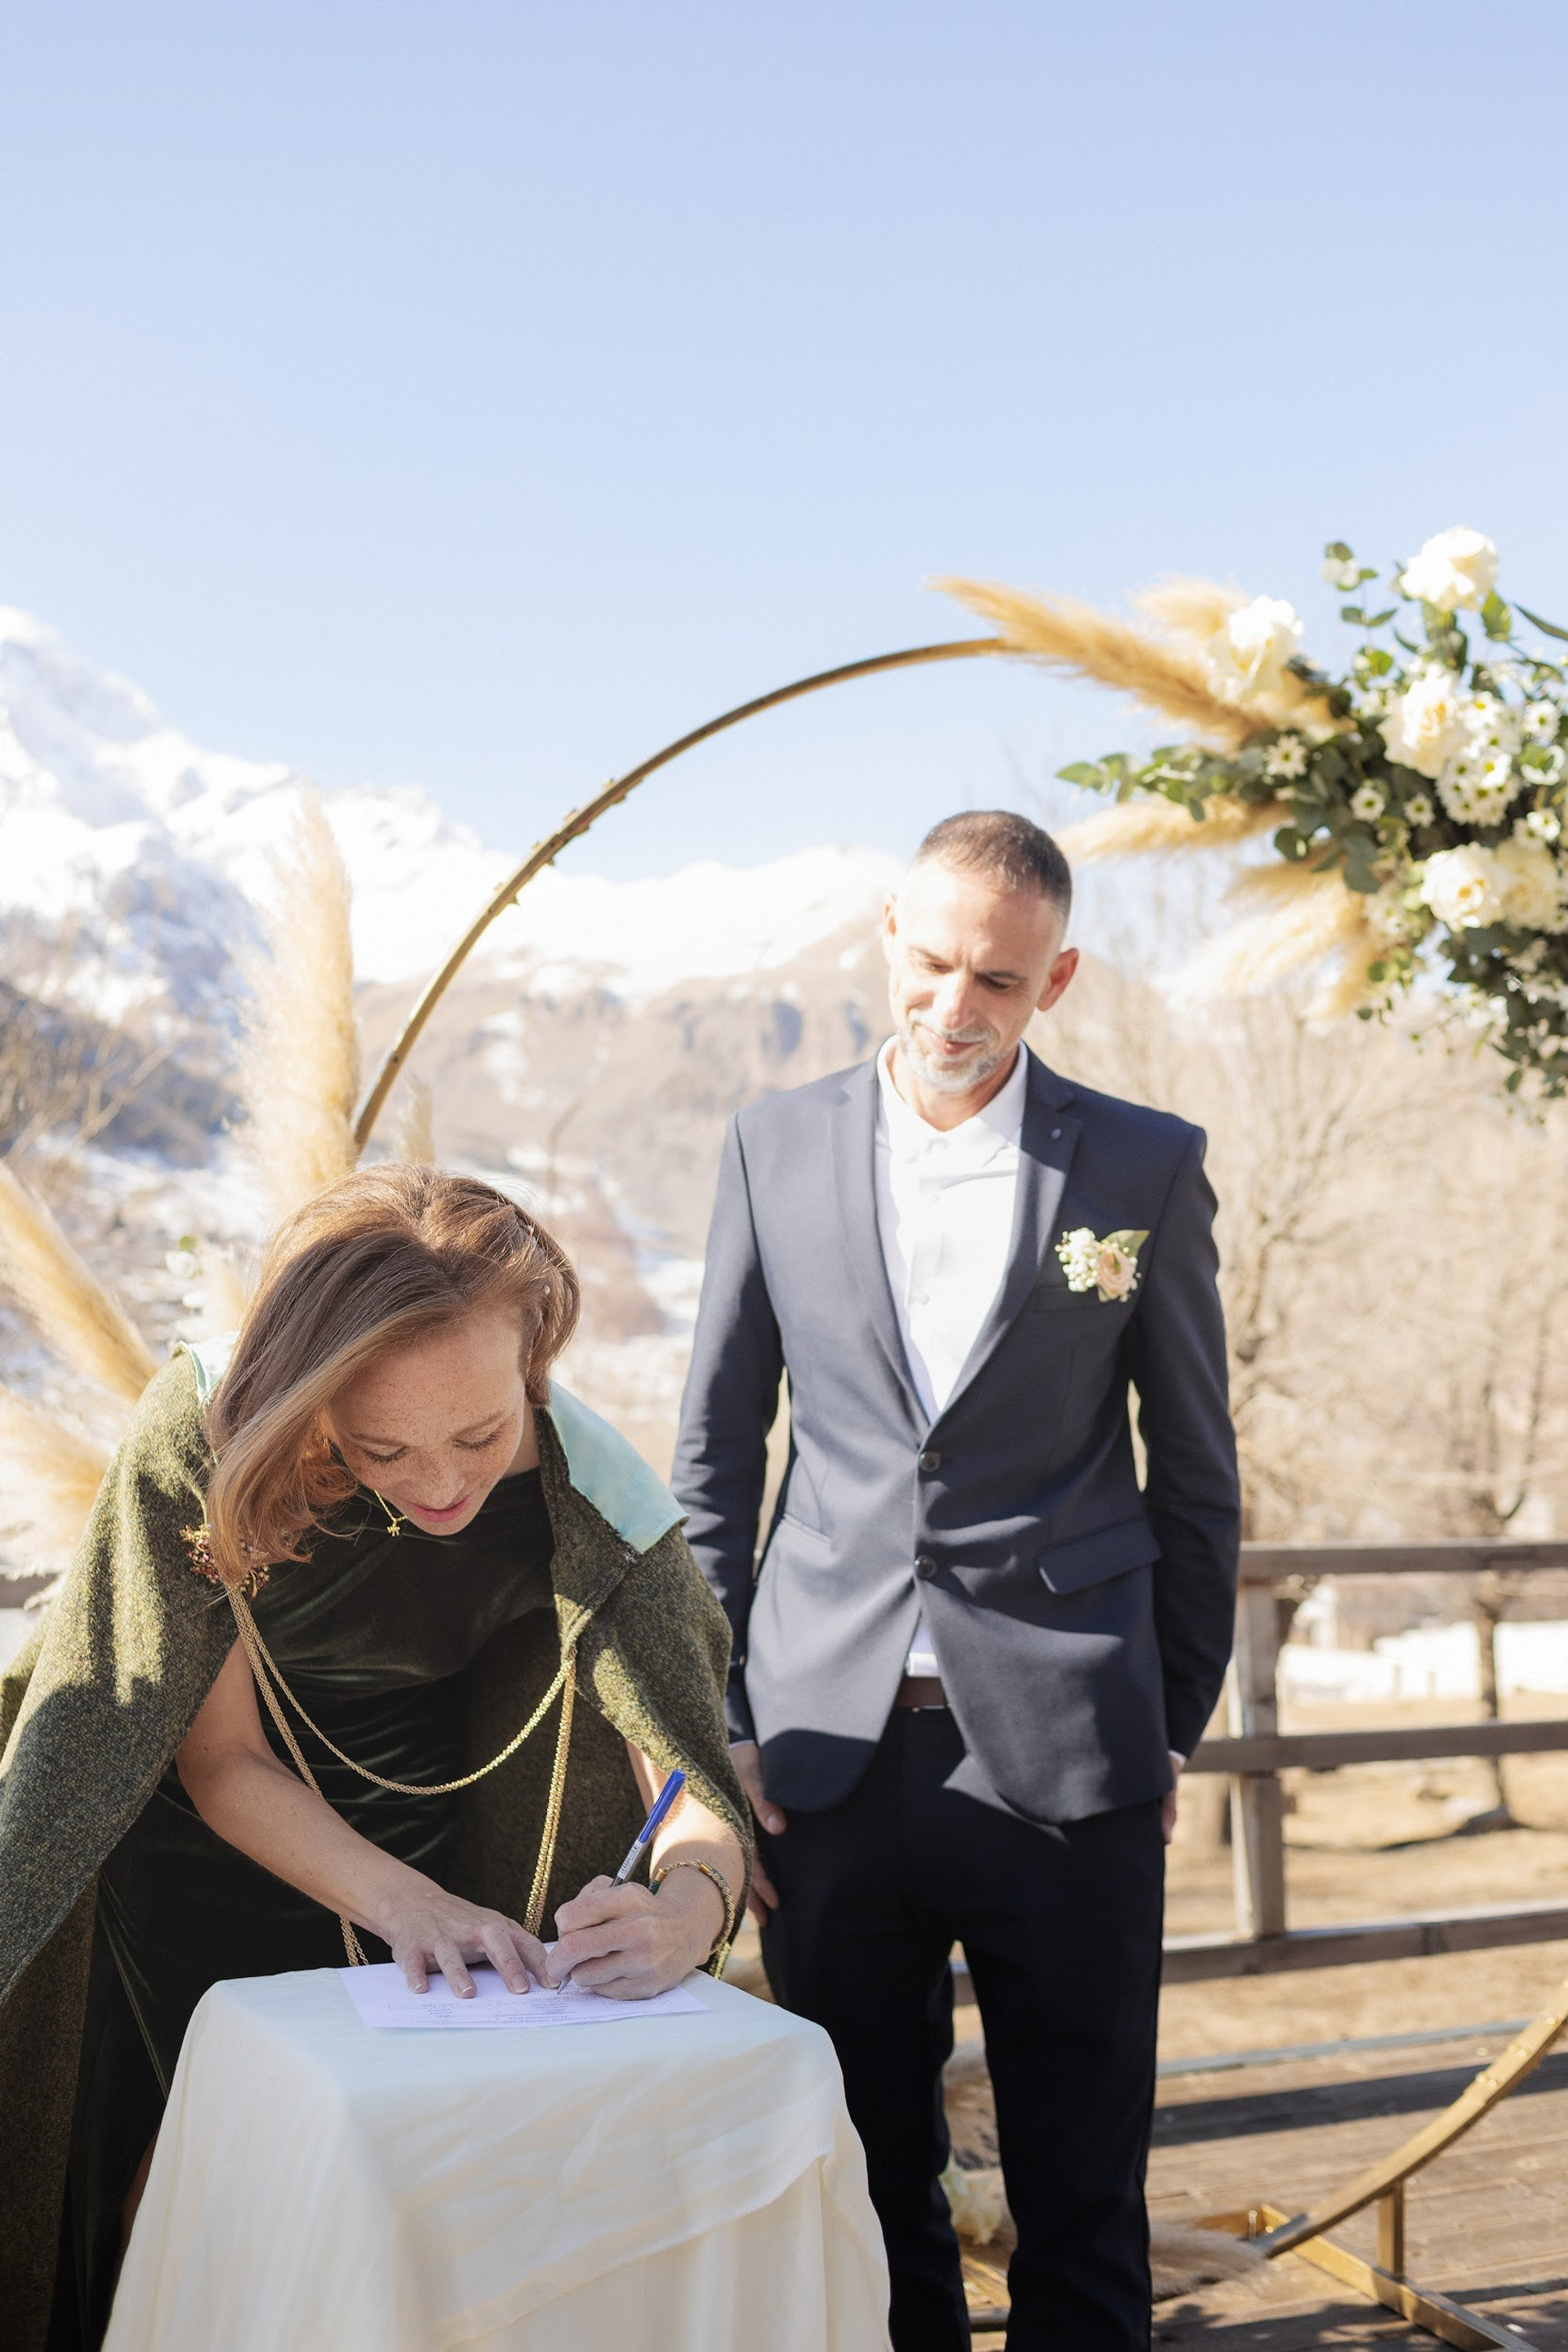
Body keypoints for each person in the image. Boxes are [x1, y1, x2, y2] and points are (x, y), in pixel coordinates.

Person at [0, 1165, 750, 2352]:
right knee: (167, 2194)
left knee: (380, 2215)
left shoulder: (590, 1491)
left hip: (437, 1842)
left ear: (534, 1355)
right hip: (199, 1857)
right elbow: (221, 1762)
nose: (443, 1483)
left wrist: (689, 1907)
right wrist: (415, 1910)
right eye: (382, 1452)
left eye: (478, 1433)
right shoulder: (207, 1432)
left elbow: (691, 1784)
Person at [672, 810, 1240, 2352]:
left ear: (1055, 980)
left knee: (1081, 2199)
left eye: (997, 977)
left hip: (1066, 1751)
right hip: (820, 1758)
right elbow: (718, 1458)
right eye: (930, 963)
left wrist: (1164, 1725)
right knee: (860, 2189)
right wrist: (714, 1720)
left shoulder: (1142, 1164)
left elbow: (1197, 1476)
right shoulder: (769, 1145)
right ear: (885, 935)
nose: (953, 1006)